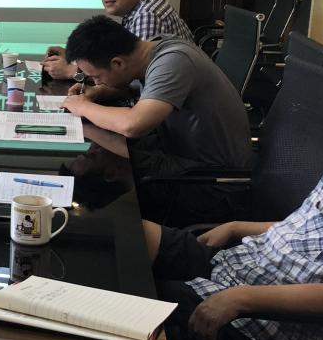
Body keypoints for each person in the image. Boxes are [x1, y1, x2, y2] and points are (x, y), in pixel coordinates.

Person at [144, 31, 323, 340]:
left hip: (264, 321)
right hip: (244, 267)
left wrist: (242, 298)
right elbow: (309, 231)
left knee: (126, 298)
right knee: (133, 236)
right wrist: (237, 226)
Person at [61, 15, 253, 225]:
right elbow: (141, 89)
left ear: (117, 63)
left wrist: (83, 107)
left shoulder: (174, 61)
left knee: (117, 163)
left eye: (96, 77)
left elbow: (134, 125)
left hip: (211, 183)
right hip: (184, 154)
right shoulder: (155, 48)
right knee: (113, 148)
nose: (95, 82)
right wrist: (98, 92)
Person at [45, 0, 194, 79]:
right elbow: (119, 58)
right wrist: (77, 57)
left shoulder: (147, 15)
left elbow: (131, 77)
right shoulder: (140, 8)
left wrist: (73, 71)